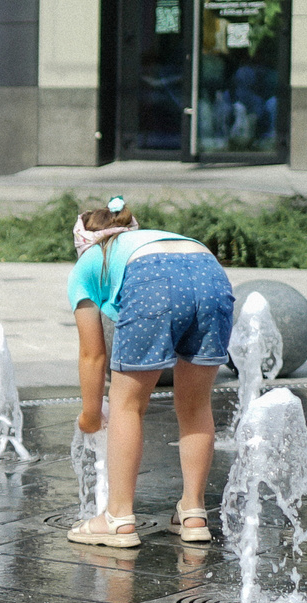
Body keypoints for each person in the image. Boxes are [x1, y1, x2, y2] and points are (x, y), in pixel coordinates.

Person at [68, 197, 236, 547]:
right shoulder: (146, 240)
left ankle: (118, 517)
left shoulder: (87, 263)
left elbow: (92, 354)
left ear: (81, 243)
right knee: (195, 404)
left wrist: (89, 414)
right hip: (210, 272)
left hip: (152, 282)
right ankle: (193, 513)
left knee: (127, 403)